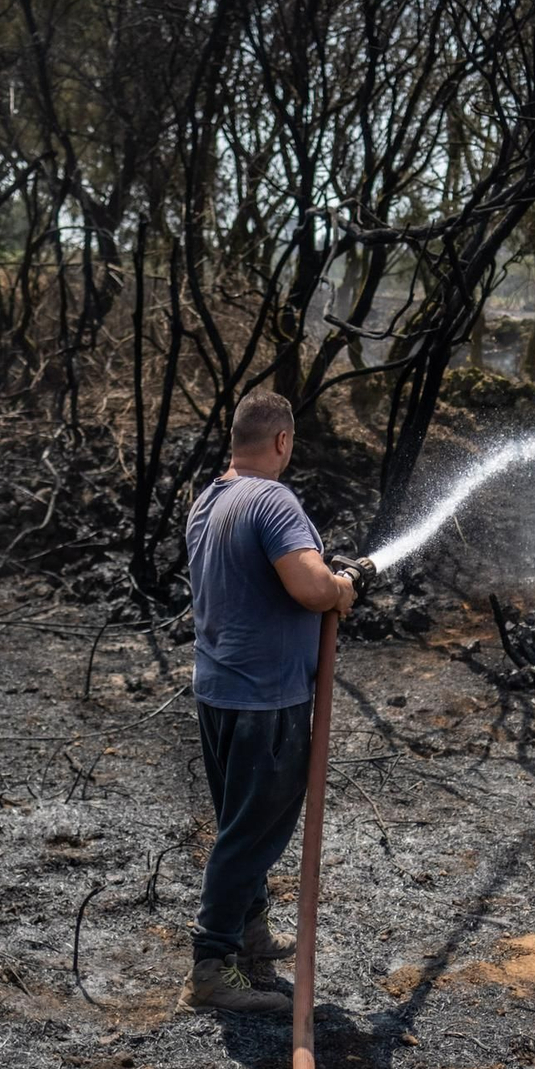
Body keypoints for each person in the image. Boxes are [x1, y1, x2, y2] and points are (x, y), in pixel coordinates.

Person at [178, 391, 356, 1014]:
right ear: (282, 441)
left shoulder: (210, 500)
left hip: (219, 693)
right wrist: (343, 584)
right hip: (265, 702)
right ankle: (212, 964)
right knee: (252, 834)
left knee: (240, 823)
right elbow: (310, 588)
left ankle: (250, 933)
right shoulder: (273, 500)